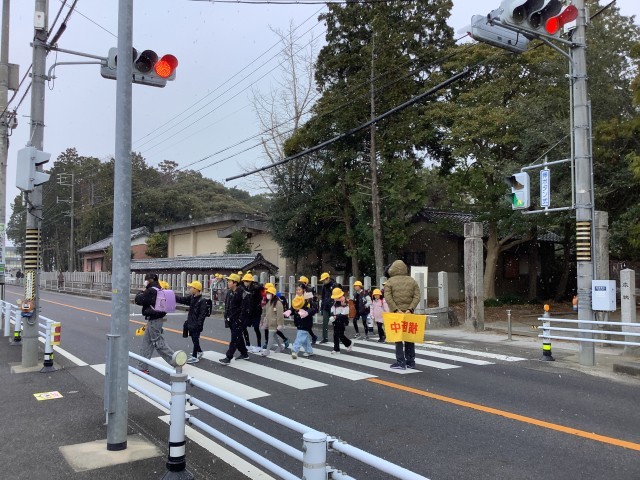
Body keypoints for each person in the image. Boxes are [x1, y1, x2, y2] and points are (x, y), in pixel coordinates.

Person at [134, 273, 175, 374]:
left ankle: (176, 360)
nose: (145, 282)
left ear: (149, 280)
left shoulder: (151, 290)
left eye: (146, 280)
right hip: (156, 319)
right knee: (146, 343)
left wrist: (140, 293)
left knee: (158, 343)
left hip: (154, 320)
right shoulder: (159, 289)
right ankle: (142, 367)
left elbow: (139, 300)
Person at [384, 260, 420, 370]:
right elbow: (417, 296)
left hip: (396, 314)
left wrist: (396, 309)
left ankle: (400, 362)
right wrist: (410, 308)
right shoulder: (412, 281)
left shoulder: (389, 282)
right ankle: (411, 361)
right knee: (409, 336)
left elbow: (388, 297)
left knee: (398, 337)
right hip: (409, 314)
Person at [175, 280, 209, 363]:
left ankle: (195, 356)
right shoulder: (192, 297)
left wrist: (199, 324)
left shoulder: (202, 300)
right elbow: (182, 300)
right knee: (194, 339)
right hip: (191, 322)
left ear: (196, 289)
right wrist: (173, 296)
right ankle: (199, 351)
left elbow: (202, 314)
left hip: (196, 323)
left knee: (195, 338)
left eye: (191, 287)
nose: (190, 288)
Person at [219, 273, 250, 364]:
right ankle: (244, 353)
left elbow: (245, 308)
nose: (228, 283)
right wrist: (227, 316)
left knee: (234, 338)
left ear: (235, 283)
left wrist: (240, 320)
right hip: (231, 318)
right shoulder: (229, 292)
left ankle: (228, 357)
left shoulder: (242, 293)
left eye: (229, 281)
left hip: (238, 320)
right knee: (238, 337)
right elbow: (227, 306)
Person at [240, 273, 265, 353]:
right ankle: (248, 344)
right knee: (243, 327)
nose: (245, 282)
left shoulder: (255, 288)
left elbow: (261, 286)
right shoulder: (245, 287)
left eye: (246, 281)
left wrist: (254, 287)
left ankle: (259, 346)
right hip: (248, 312)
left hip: (256, 311)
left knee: (256, 328)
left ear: (250, 281)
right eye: (244, 281)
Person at [261, 285, 285, 355]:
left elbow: (280, 314)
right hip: (270, 322)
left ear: (273, 294)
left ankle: (267, 351)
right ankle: (280, 346)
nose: (268, 295)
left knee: (270, 336)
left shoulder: (278, 303)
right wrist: (263, 320)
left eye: (269, 293)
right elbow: (265, 312)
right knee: (274, 335)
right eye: (267, 293)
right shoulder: (269, 302)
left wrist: (280, 324)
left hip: (274, 323)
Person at [329, 287, 353, 354]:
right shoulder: (334, 302)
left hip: (342, 320)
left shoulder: (344, 302)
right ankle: (336, 349)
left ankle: (349, 343)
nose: (335, 298)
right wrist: (332, 315)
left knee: (340, 335)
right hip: (335, 319)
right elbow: (332, 309)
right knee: (335, 334)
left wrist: (336, 316)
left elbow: (345, 313)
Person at [299, 276, 319, 344]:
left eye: (301, 282)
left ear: (305, 283)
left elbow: (310, 300)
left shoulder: (309, 290)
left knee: (307, 325)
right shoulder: (300, 289)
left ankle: (310, 338)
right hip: (302, 308)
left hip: (308, 309)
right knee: (304, 325)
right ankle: (313, 336)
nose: (300, 284)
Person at [319, 272, 335, 344]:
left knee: (335, 323)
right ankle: (325, 337)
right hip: (326, 306)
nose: (323, 282)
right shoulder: (324, 286)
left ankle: (338, 336)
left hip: (333, 306)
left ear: (328, 278)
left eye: (324, 280)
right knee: (325, 323)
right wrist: (322, 307)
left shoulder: (334, 285)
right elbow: (322, 297)